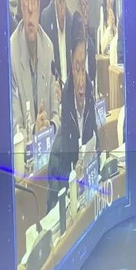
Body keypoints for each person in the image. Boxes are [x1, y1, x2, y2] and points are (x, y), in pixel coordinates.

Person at [46, 13, 98, 211]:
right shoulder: (59, 146)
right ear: (70, 62)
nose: (82, 81)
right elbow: (53, 209)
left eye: (84, 68)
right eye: (77, 68)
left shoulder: (91, 107)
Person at [10, 0, 60, 138]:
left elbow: (57, 113)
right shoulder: (10, 54)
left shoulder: (48, 47)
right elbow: (14, 132)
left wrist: (50, 127)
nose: (30, 7)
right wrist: (34, 132)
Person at [41, 0, 71, 90]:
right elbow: (45, 65)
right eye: (59, 0)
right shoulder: (45, 18)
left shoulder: (71, 20)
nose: (62, 10)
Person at [75, 0, 97, 92]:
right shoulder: (71, 47)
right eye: (82, 1)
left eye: (86, 2)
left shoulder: (92, 47)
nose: (85, 9)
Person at [98, 0, 119, 65]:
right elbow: (102, 48)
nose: (110, 0)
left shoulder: (117, 17)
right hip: (105, 62)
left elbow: (119, 42)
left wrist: (113, 27)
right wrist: (109, 26)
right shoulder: (102, 15)